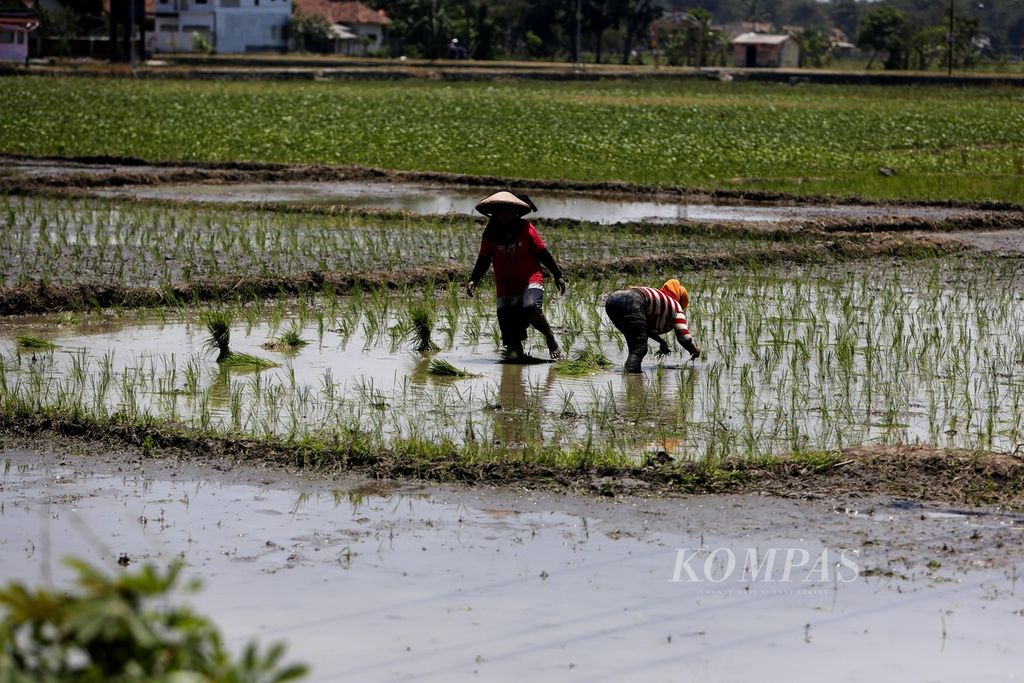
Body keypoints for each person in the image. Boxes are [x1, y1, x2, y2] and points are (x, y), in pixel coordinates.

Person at [466, 191, 567, 360]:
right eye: (502, 211)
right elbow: (484, 259)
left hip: (530, 278)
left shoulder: (525, 228)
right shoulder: (490, 234)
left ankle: (549, 336)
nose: (506, 214)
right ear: (496, 213)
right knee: (510, 333)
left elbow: (543, 253)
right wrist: (473, 279)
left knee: (531, 307)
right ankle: (516, 368)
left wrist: (558, 275)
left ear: (516, 212)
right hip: (506, 284)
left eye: (510, 210)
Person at [604, 278, 701, 373]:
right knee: (639, 348)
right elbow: (683, 335)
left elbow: (643, 329)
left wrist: (661, 342)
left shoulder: (661, 299)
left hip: (612, 299)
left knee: (635, 344)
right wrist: (694, 349)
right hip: (632, 300)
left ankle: (630, 374)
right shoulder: (676, 306)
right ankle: (631, 376)